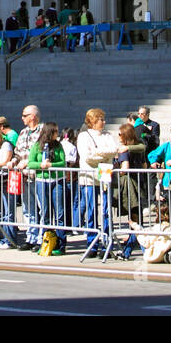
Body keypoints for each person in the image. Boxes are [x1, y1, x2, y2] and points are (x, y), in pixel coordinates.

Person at [76, 108, 119, 252]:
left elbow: (114, 149)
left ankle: (107, 241)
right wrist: (105, 155)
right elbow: (88, 157)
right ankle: (92, 243)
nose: (104, 122)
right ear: (93, 121)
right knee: (91, 211)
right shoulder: (83, 136)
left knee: (106, 211)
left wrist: (98, 152)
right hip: (89, 178)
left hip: (105, 176)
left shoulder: (107, 135)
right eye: (101, 119)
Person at [28, 123, 69, 255]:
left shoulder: (58, 145)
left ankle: (61, 243)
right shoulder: (37, 146)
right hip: (42, 180)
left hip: (57, 180)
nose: (57, 134)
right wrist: (41, 165)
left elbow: (63, 162)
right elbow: (30, 163)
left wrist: (51, 165)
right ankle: (46, 241)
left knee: (59, 212)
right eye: (55, 131)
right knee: (45, 212)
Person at [13, 105, 44, 250]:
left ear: (32, 116)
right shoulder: (23, 132)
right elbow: (17, 152)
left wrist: (28, 162)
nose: (22, 118)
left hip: (38, 175)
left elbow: (43, 151)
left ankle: (42, 238)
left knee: (41, 207)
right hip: (25, 176)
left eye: (24, 115)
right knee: (28, 208)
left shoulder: (43, 131)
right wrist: (13, 162)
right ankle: (31, 236)